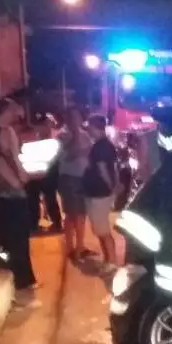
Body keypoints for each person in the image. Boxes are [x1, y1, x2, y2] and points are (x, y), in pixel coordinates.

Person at [0, 99, 38, 303]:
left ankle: (25, 280)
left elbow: (15, 160)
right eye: (11, 110)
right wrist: (22, 177)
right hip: (9, 197)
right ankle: (21, 283)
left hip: (11, 196)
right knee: (16, 240)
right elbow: (14, 172)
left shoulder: (4, 132)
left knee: (19, 238)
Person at [84, 115, 119, 269]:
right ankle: (108, 259)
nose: (88, 131)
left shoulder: (101, 146)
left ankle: (112, 261)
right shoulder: (104, 145)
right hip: (97, 192)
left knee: (103, 230)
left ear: (96, 127)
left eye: (90, 127)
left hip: (99, 193)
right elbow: (113, 167)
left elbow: (103, 169)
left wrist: (111, 187)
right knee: (99, 229)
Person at [58, 107, 92, 261]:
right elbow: (69, 155)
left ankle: (80, 246)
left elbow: (90, 153)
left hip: (83, 178)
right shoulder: (63, 135)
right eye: (73, 117)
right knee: (72, 214)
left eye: (78, 116)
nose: (77, 120)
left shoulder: (85, 134)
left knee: (81, 214)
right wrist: (76, 136)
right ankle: (72, 248)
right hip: (69, 179)